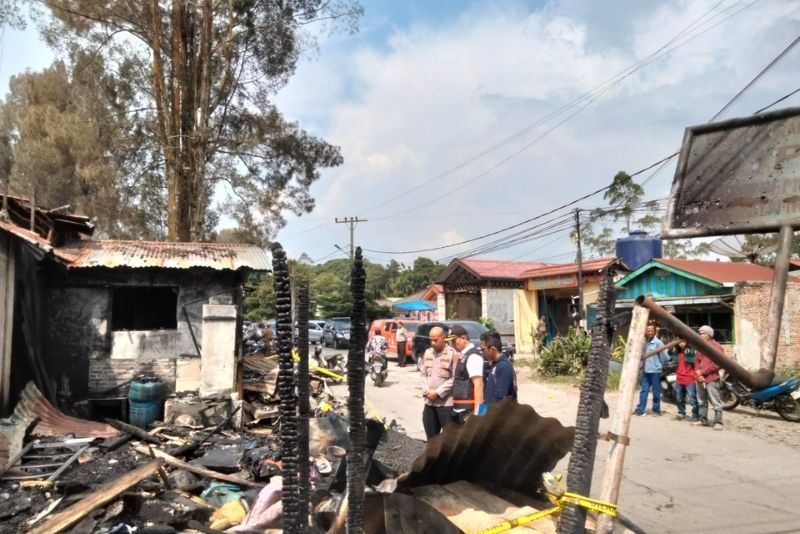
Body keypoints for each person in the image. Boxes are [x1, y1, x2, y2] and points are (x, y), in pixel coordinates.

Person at [419, 326, 458, 439]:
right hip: (429, 403)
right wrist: (427, 390)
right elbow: (423, 374)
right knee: (431, 438)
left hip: (445, 404)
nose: (433, 342)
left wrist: (438, 392)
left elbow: (455, 378)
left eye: (436, 340)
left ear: (444, 338)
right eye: (431, 340)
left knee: (448, 440)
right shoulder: (428, 353)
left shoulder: (452, 354)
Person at [450, 325, 485, 422]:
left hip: (469, 412)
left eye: (454, 341)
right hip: (461, 410)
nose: (452, 345)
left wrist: (479, 416)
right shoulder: (464, 355)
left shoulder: (473, 356)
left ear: (463, 338)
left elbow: (479, 385)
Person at [693, 325, 724, 431]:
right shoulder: (700, 346)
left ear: (709, 334)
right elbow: (696, 360)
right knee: (701, 400)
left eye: (703, 333)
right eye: (700, 333)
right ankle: (703, 420)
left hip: (711, 377)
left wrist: (702, 372)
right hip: (700, 378)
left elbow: (718, 363)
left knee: (715, 401)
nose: (701, 335)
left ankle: (718, 422)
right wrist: (698, 373)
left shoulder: (717, 346)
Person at [634, 324, 669, 416]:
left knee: (656, 391)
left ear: (654, 331)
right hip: (645, 371)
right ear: (646, 331)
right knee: (644, 390)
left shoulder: (658, 343)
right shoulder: (644, 342)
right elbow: (641, 356)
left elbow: (665, 357)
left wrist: (658, 363)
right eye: (648, 331)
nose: (650, 332)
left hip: (655, 371)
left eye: (651, 331)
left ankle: (656, 410)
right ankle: (640, 410)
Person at [482, 331, 517, 405]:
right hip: (489, 413)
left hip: (497, 415)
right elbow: (488, 397)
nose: (482, 353)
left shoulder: (504, 366)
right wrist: (480, 414)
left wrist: (485, 415)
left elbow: (499, 398)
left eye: (483, 349)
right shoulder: (495, 365)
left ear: (492, 349)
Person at [670, 339, 699, 421]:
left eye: (683, 342)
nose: (681, 344)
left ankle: (695, 415)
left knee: (692, 399)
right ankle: (681, 413)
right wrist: (672, 349)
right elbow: (672, 358)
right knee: (679, 398)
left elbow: (695, 361)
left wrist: (688, 354)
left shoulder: (691, 351)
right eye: (679, 342)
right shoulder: (677, 352)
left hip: (690, 379)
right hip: (679, 379)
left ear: (687, 342)